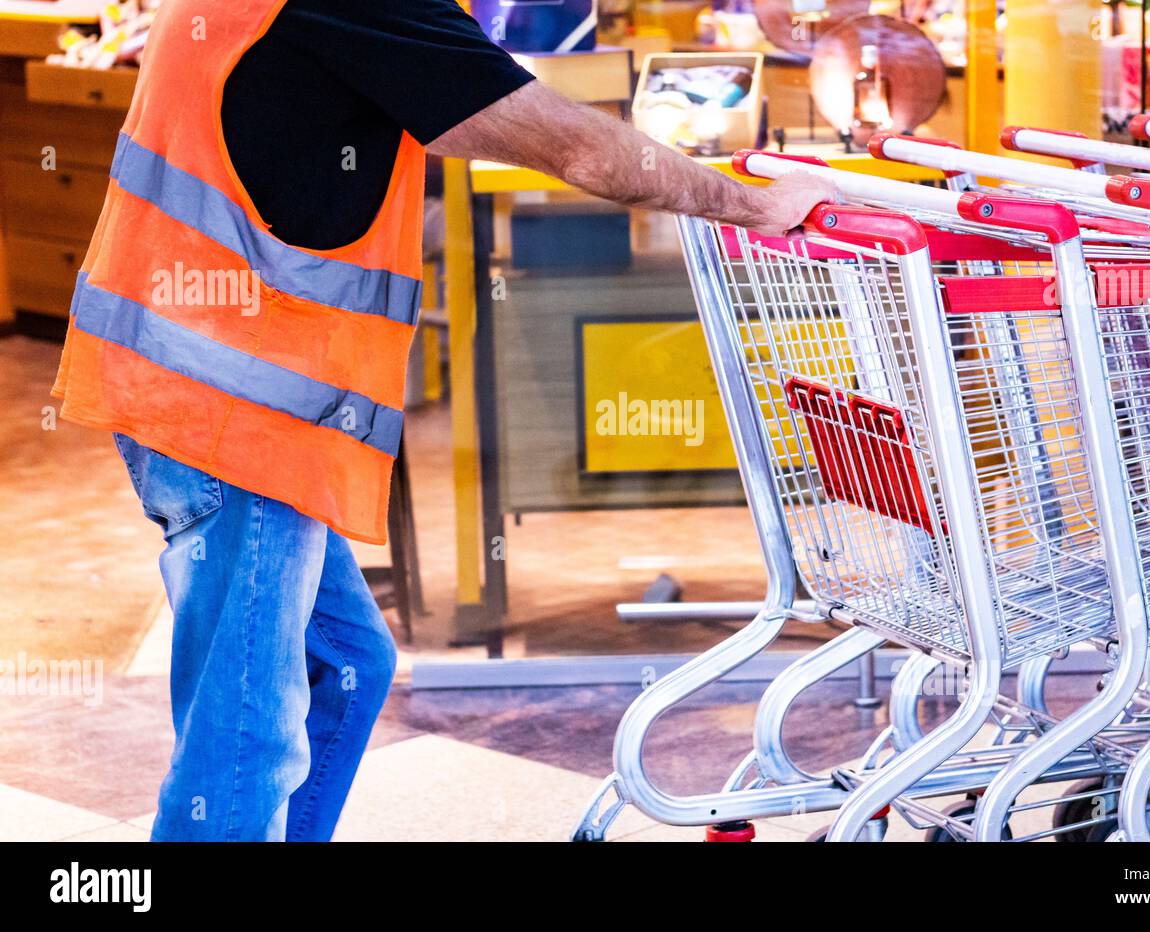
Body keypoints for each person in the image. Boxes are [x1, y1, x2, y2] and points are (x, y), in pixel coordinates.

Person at [52, 0, 837, 841]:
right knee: (243, 738)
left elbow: (372, 128)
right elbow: (572, 143)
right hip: (230, 414)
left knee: (346, 667)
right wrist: (753, 205)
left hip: (205, 390)